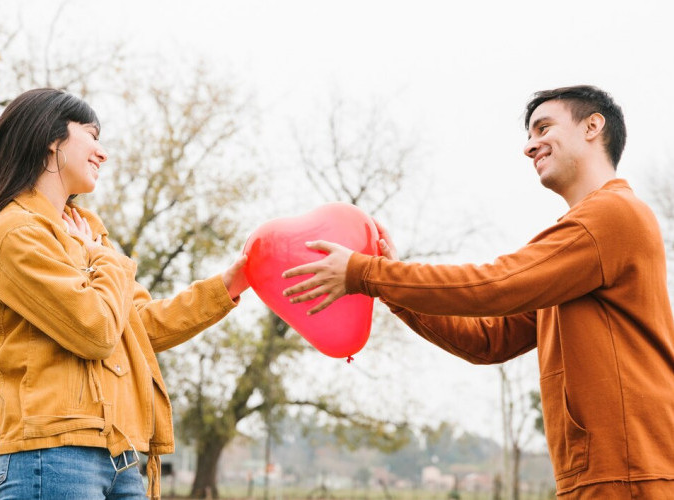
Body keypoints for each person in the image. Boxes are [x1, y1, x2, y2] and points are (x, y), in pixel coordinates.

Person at [282, 85, 674, 498]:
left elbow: (497, 284)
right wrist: (390, 286)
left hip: (630, 473)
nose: (529, 146)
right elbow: (489, 339)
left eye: (543, 128)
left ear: (593, 126)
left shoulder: (612, 215)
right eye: (528, 135)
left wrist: (366, 273)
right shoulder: (583, 243)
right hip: (601, 474)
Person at [0, 88, 249, 499]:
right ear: (52, 138)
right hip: (53, 457)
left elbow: (139, 326)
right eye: (92, 135)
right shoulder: (17, 232)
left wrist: (230, 284)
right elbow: (96, 330)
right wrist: (101, 257)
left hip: (120, 458)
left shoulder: (85, 232)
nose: (102, 152)